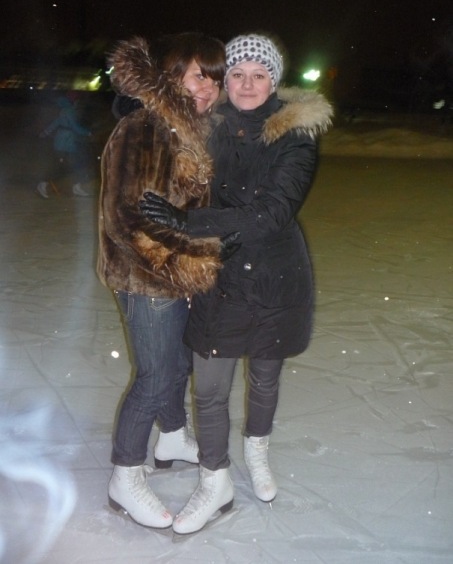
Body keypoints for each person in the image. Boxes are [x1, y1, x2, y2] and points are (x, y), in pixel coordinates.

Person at [139, 33, 333, 534]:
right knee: (208, 388)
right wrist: (131, 104)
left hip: (274, 275)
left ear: (275, 81)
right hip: (218, 272)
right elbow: (160, 119)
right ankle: (215, 479)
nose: (247, 84)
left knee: (264, 377)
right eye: (238, 74)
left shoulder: (297, 136)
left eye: (259, 75)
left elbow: (271, 213)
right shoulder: (209, 124)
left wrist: (190, 224)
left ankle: (257, 450)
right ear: (226, 80)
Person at [97, 33, 237, 529]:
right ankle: (124, 475)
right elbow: (125, 216)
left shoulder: (190, 128)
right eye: (200, 75)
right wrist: (185, 263)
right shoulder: (145, 127)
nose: (209, 88)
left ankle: (173, 437)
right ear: (173, 73)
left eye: (215, 79)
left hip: (178, 274)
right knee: (154, 377)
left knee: (177, 365)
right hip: (145, 276)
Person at [37, 92, 92, 198]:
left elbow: (56, 123)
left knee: (73, 164)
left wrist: (45, 132)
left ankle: (76, 187)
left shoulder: (64, 110)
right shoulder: (69, 111)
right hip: (64, 143)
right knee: (61, 166)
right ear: (74, 101)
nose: (78, 102)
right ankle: (42, 184)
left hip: (65, 142)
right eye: (77, 100)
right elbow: (74, 126)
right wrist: (87, 132)